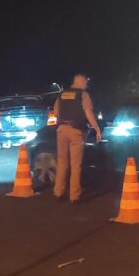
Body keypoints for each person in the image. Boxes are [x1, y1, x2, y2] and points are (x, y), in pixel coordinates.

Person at [52, 73, 102, 204]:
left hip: (61, 130)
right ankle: (74, 196)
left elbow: (56, 113)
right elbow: (88, 112)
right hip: (76, 131)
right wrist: (97, 128)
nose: (86, 85)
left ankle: (58, 192)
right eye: (85, 82)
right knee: (76, 165)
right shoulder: (82, 95)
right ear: (80, 82)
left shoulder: (62, 94)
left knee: (62, 162)